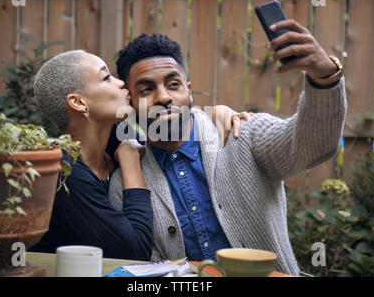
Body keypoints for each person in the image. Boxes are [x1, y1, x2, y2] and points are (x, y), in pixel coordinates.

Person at [108, 20, 347, 275]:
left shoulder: (243, 134)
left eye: (173, 84)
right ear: (131, 103)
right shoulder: (126, 185)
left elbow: (314, 145)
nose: (164, 96)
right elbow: (142, 269)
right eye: (147, 89)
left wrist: (324, 78)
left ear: (188, 92)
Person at [31, 50, 251, 260]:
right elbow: (134, 252)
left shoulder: (115, 138)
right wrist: (130, 163)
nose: (121, 83)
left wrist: (216, 114)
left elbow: (172, 126)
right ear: (79, 103)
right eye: (107, 78)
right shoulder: (65, 173)